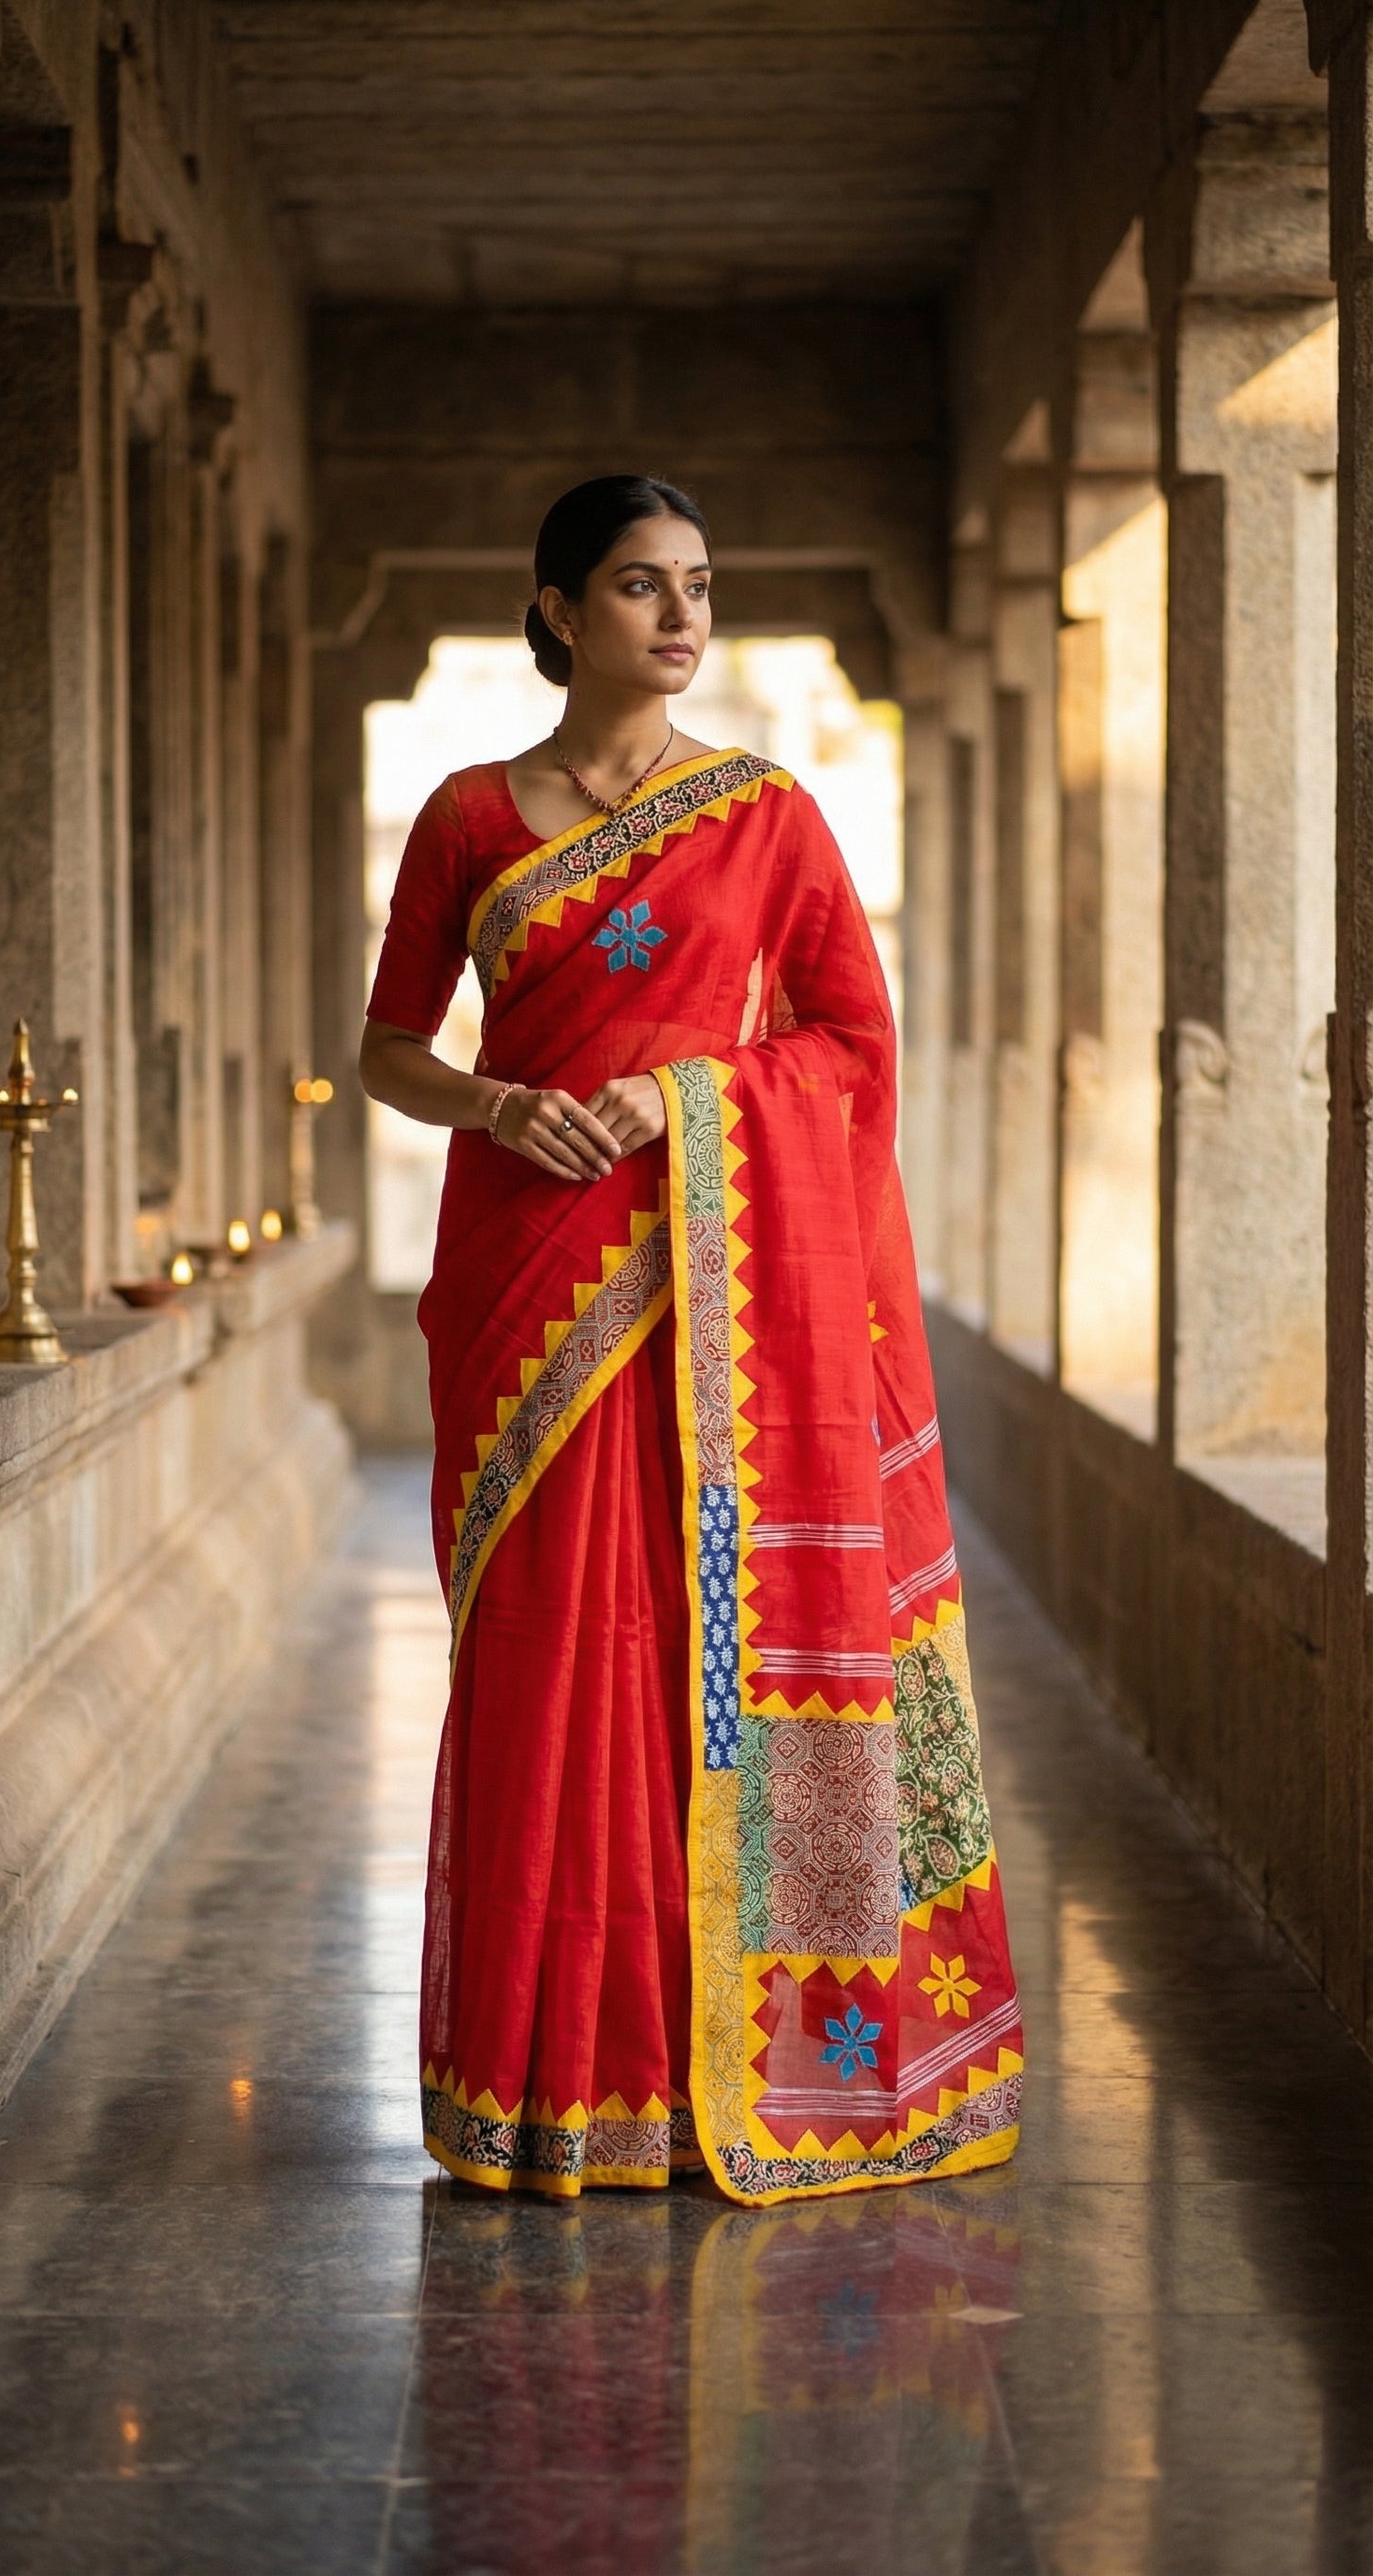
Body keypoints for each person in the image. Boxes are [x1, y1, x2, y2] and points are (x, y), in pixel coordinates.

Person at [360, 475, 1022, 2204]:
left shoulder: (768, 816)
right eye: (641, 586)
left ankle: (769, 2050)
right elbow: (388, 1055)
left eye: (699, 587)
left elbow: (852, 1049)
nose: (679, 616)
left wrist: (682, 1101)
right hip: (527, 1279)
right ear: (561, 609)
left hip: (724, 1298)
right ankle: (555, 2074)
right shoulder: (465, 820)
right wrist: (503, 1105)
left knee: (714, 1638)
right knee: (551, 1656)